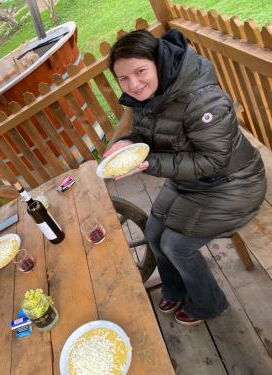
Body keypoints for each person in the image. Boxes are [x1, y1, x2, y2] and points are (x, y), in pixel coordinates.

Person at [105, 29, 266, 325]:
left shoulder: (202, 99)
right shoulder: (148, 95)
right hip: (191, 182)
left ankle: (209, 304)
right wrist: (128, 142)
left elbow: (214, 160)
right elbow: (146, 134)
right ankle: (175, 287)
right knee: (154, 231)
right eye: (123, 79)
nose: (134, 84)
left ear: (158, 62)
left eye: (140, 72)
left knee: (176, 245)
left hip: (235, 182)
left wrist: (148, 163)